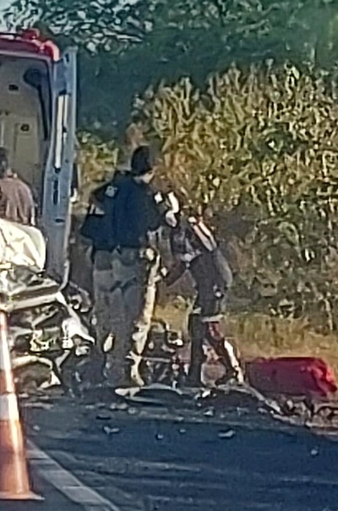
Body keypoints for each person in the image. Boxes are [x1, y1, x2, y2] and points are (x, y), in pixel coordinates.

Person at [104, 145, 174, 387]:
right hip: (139, 257)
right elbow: (153, 222)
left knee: (119, 315)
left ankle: (113, 368)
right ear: (152, 168)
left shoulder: (117, 188)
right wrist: (166, 209)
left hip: (117, 255)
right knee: (139, 316)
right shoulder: (144, 194)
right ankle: (129, 370)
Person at [163, 211, 244, 386]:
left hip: (214, 283)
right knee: (198, 326)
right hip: (210, 283)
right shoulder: (185, 230)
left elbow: (183, 263)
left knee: (207, 327)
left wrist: (163, 280)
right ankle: (199, 373)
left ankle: (231, 370)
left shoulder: (183, 232)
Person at [80, 170, 128, 383]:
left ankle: (99, 356)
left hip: (100, 261)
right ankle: (114, 366)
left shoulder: (103, 200)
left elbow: (94, 197)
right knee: (118, 316)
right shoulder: (126, 205)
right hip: (118, 263)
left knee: (102, 313)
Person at [0, 147, 36, 225]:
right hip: (22, 233)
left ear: (2, 164)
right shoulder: (25, 188)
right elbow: (32, 219)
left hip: (3, 231)